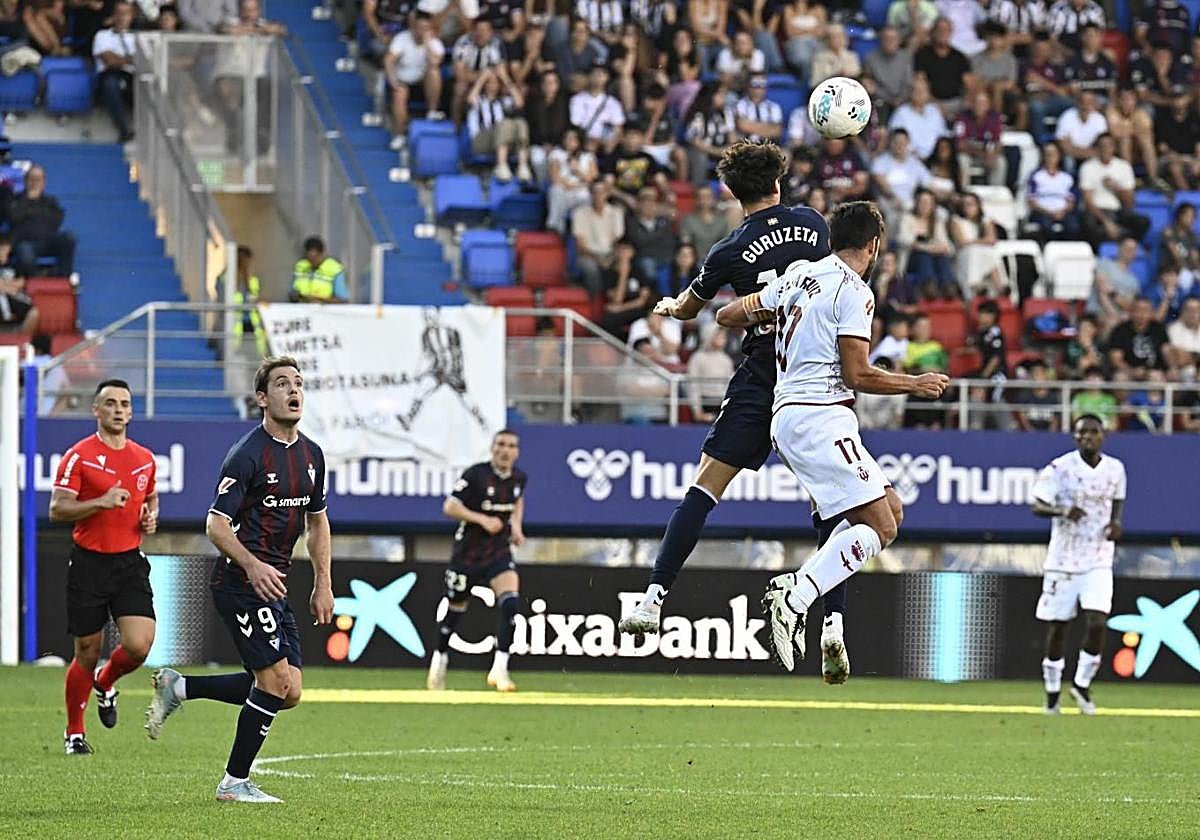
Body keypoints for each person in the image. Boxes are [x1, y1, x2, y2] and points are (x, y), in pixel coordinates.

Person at [618, 140, 853, 685]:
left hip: (760, 378)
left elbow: (692, 309)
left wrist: (672, 307)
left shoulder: (728, 249)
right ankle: (833, 622)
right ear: (779, 181)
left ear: (730, 190)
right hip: (813, 378)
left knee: (704, 488)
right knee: (835, 505)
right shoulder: (813, 224)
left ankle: (653, 599)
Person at [714, 201, 949, 671]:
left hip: (794, 414)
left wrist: (773, 315)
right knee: (882, 527)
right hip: (818, 416)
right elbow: (857, 372)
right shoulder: (854, 291)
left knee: (890, 511)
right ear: (874, 245)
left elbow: (726, 314)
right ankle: (795, 595)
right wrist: (914, 384)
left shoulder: (799, 275)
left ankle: (815, 609)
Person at [145, 357, 332, 804]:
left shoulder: (312, 456)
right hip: (241, 582)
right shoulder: (248, 454)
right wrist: (252, 565)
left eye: (299, 384)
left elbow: (318, 521)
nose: (294, 390)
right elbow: (215, 524)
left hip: (277, 583)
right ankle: (234, 783)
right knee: (274, 684)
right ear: (263, 399)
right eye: (283, 383)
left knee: (290, 693)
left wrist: (323, 581)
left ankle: (181, 687)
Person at [49, 379, 159, 755]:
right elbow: (58, 509)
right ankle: (74, 733)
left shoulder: (144, 457)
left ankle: (106, 681)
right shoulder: (79, 456)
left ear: (131, 411)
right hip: (89, 564)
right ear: (95, 410)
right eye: (109, 403)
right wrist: (101, 502)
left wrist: (150, 518)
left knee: (140, 645)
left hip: (128, 561)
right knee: (86, 650)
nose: (117, 409)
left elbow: (150, 497)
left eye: (124, 403)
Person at [1030, 414, 1125, 715]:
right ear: (1075, 437)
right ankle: (1052, 693)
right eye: (1082, 433)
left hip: (1098, 558)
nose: (1088, 437)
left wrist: (1116, 523)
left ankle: (1081, 685)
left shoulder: (1116, 469)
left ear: (1103, 436)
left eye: (1093, 432)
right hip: (1064, 560)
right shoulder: (1060, 468)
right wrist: (1061, 509)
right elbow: (1036, 505)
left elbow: (1117, 501)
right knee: (1059, 628)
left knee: (1098, 622)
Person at [427, 430, 526, 693]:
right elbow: (450, 507)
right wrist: (482, 519)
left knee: (511, 603)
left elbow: (517, 500)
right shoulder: (476, 474)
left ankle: (500, 670)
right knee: (456, 609)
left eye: (511, 446)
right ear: (492, 449)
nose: (506, 450)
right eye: (501, 445)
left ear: (517, 452)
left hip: (499, 553)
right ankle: (440, 659)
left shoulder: (519, 478)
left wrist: (516, 526)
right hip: (467, 555)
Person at [383, 11, 446, 150]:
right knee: (399, 94)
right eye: (419, 28)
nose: (421, 31)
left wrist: (428, 44)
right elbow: (388, 60)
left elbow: (435, 62)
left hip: (422, 81)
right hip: (403, 80)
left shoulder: (434, 43)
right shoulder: (402, 38)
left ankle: (432, 111)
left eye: (425, 28)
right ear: (413, 27)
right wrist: (393, 81)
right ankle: (399, 135)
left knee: (434, 72)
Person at [290, 236, 348, 303]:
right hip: (300, 311)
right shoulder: (300, 266)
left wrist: (319, 300)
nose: (312, 261)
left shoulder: (334, 268)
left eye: (315, 257)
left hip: (323, 312)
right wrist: (295, 296)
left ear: (321, 254)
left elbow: (343, 300)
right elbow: (292, 292)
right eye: (309, 258)